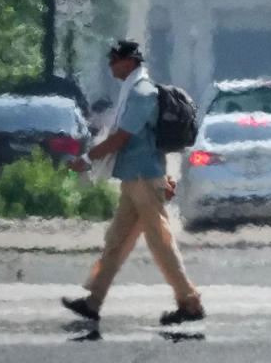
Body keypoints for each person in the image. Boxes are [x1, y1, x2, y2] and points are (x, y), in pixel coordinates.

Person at [61, 40, 204, 325]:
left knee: (160, 243)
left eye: (115, 60)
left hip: (143, 180)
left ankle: (189, 303)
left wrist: (87, 159)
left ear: (130, 62)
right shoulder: (133, 92)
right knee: (116, 241)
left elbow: (121, 139)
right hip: (134, 180)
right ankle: (93, 301)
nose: (111, 65)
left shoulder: (140, 94)